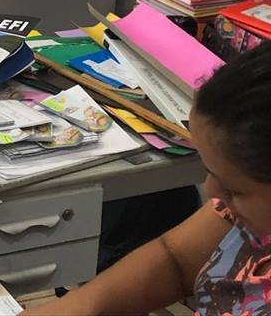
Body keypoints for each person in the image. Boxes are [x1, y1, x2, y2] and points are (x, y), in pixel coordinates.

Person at [22, 43, 271, 316]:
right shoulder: (246, 215)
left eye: (234, 190)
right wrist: (78, 306)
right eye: (209, 170)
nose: (211, 190)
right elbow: (176, 259)